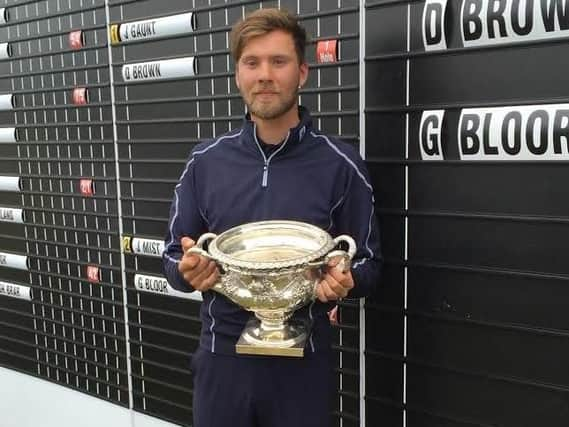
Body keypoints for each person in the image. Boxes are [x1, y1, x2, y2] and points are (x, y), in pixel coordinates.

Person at [162, 8, 381, 427]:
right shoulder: (205, 163)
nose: (265, 75)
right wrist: (187, 271)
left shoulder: (341, 165)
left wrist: (346, 279)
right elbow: (174, 256)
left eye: (278, 62)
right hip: (220, 360)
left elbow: (369, 264)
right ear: (238, 75)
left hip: (302, 365)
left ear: (302, 73)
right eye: (252, 63)